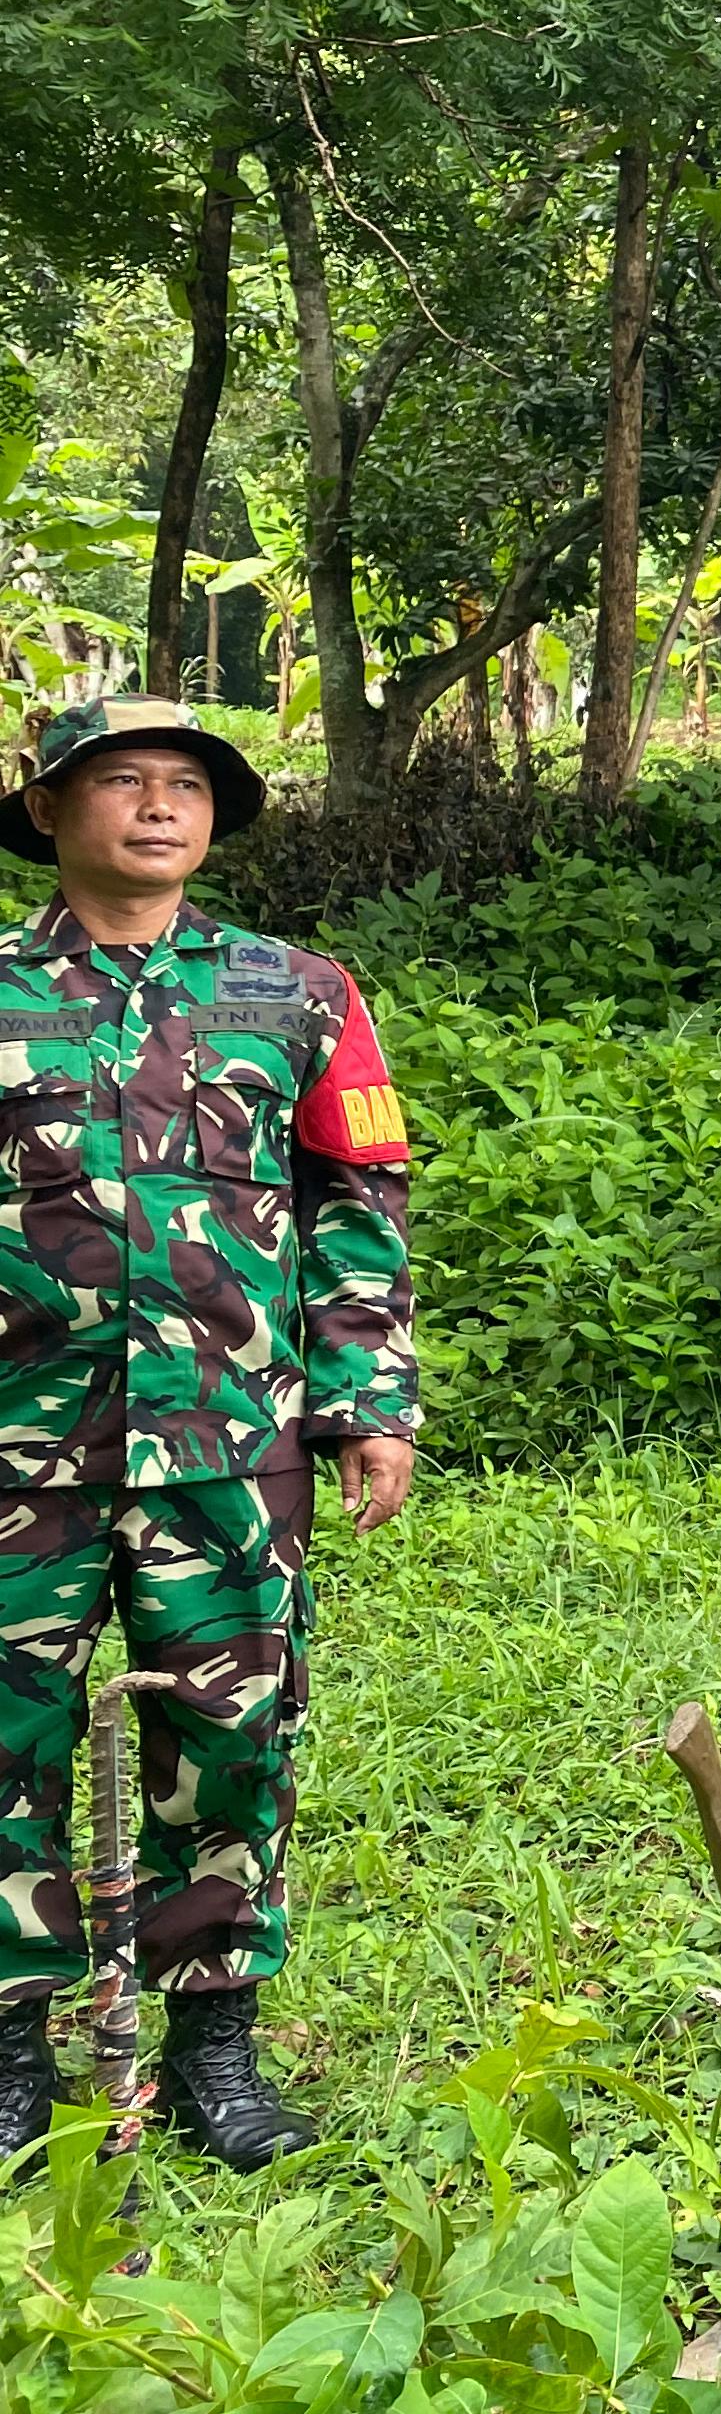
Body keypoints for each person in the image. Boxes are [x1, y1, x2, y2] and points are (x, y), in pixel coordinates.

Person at [0, 695, 419, 2172]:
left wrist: (368, 1400)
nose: (159, 807)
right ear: (52, 809)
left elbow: (356, 1205)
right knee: (3, 1738)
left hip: (229, 1452)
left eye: (186, 786)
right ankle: (11, 2052)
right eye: (122, 782)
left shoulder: (294, 992)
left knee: (230, 1739)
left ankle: (213, 2052)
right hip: (14, 1453)